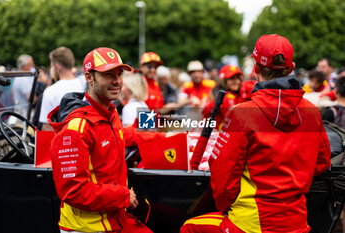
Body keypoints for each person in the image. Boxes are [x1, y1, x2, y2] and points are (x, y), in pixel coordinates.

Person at [180, 34, 331, 233]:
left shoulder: (242, 114)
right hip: (297, 223)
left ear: (255, 69)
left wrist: (227, 207)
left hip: (250, 224)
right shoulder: (312, 112)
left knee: (187, 228)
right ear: (292, 68)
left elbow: (223, 181)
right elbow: (322, 163)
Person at [49, 47, 161, 233]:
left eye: (119, 73)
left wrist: (166, 137)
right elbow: (73, 191)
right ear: (89, 78)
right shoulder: (75, 128)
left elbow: (124, 134)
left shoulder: (110, 111)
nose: (117, 81)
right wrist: (123, 196)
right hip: (87, 228)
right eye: (108, 74)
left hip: (115, 217)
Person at [39, 47, 86, 130]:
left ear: (57, 67)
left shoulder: (50, 91)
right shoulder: (85, 85)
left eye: (52, 66)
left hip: (63, 139)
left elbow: (47, 128)